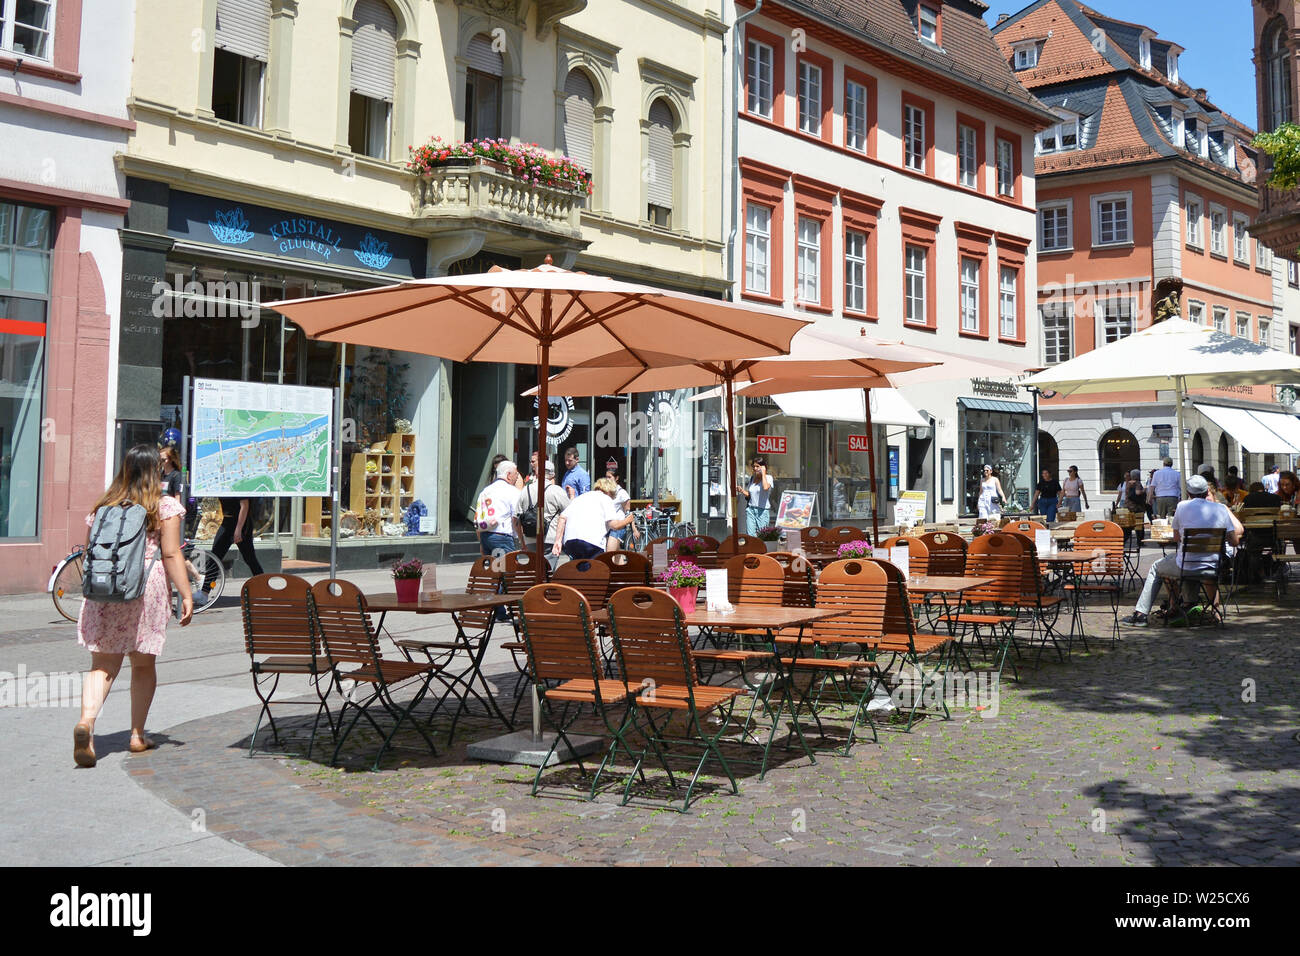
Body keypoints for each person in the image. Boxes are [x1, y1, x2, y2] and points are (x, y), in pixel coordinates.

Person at [74, 444, 194, 767]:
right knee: (142, 666)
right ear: (155, 471)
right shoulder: (163, 507)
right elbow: (170, 553)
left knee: (102, 665)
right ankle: (137, 735)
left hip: (107, 589)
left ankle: (86, 722)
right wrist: (186, 594)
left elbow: (89, 553)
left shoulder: (104, 506)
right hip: (144, 587)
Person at [1121, 475, 1242, 627]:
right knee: (1178, 563)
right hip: (1213, 566)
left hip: (1187, 566)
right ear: (1207, 492)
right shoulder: (1220, 508)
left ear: (1189, 493)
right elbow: (1234, 541)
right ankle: (1186, 605)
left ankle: (1141, 614)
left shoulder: (1182, 506)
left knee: (1157, 567)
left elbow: (1177, 537)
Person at [552, 477, 635, 560]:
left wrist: (558, 541)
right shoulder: (606, 499)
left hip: (570, 541)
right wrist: (627, 520)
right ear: (609, 492)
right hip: (592, 542)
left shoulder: (580, 498)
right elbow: (614, 525)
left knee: (578, 568)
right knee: (595, 569)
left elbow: (562, 518)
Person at [205, 497, 264, 592]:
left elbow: (245, 506)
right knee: (215, 557)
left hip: (241, 524)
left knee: (250, 559)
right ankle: (205, 591)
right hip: (227, 523)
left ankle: (265, 587)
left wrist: (238, 530)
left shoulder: (239, 485)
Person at [524, 460, 570, 568]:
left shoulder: (525, 490)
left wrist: (522, 542)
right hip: (550, 538)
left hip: (529, 538)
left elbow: (515, 518)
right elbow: (569, 512)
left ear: (536, 473)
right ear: (552, 475)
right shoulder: (557, 491)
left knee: (534, 572)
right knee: (547, 573)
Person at [476, 459, 525, 557]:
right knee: (506, 569)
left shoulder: (485, 491)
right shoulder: (513, 492)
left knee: (493, 569)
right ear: (508, 475)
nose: (517, 477)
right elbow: (515, 518)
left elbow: (478, 518)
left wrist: (481, 542)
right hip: (502, 538)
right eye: (516, 474)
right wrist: (522, 541)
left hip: (486, 536)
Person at [603, 459, 637, 550]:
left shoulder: (622, 493)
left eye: (609, 477)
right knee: (616, 556)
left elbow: (628, 512)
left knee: (609, 553)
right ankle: (623, 564)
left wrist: (634, 529)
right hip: (608, 526)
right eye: (606, 477)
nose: (607, 479)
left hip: (618, 526)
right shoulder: (605, 492)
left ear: (616, 478)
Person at [737, 456, 774, 534]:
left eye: (758, 466)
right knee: (751, 535)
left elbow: (765, 487)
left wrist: (763, 473)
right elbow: (750, 495)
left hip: (762, 511)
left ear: (763, 467)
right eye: (754, 466)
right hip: (751, 510)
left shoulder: (768, 478)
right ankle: (752, 546)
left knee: (762, 535)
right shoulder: (752, 478)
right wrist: (742, 491)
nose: (755, 468)